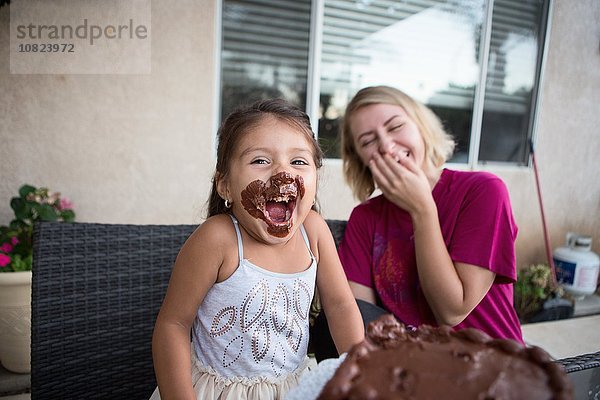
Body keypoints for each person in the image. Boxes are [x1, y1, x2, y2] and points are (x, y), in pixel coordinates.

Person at [151, 99, 364, 400]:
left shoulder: (313, 231)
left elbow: (341, 306)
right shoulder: (218, 239)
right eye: (260, 161)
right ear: (224, 185)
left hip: (293, 389)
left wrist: (361, 373)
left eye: (298, 162)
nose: (282, 173)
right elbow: (173, 325)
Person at [337, 85, 523, 343]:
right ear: (360, 160)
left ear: (421, 127)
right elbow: (361, 319)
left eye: (395, 127)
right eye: (368, 141)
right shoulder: (365, 218)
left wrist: (421, 209)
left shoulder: (483, 191)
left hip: (494, 362)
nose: (387, 147)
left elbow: (453, 311)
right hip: (411, 370)